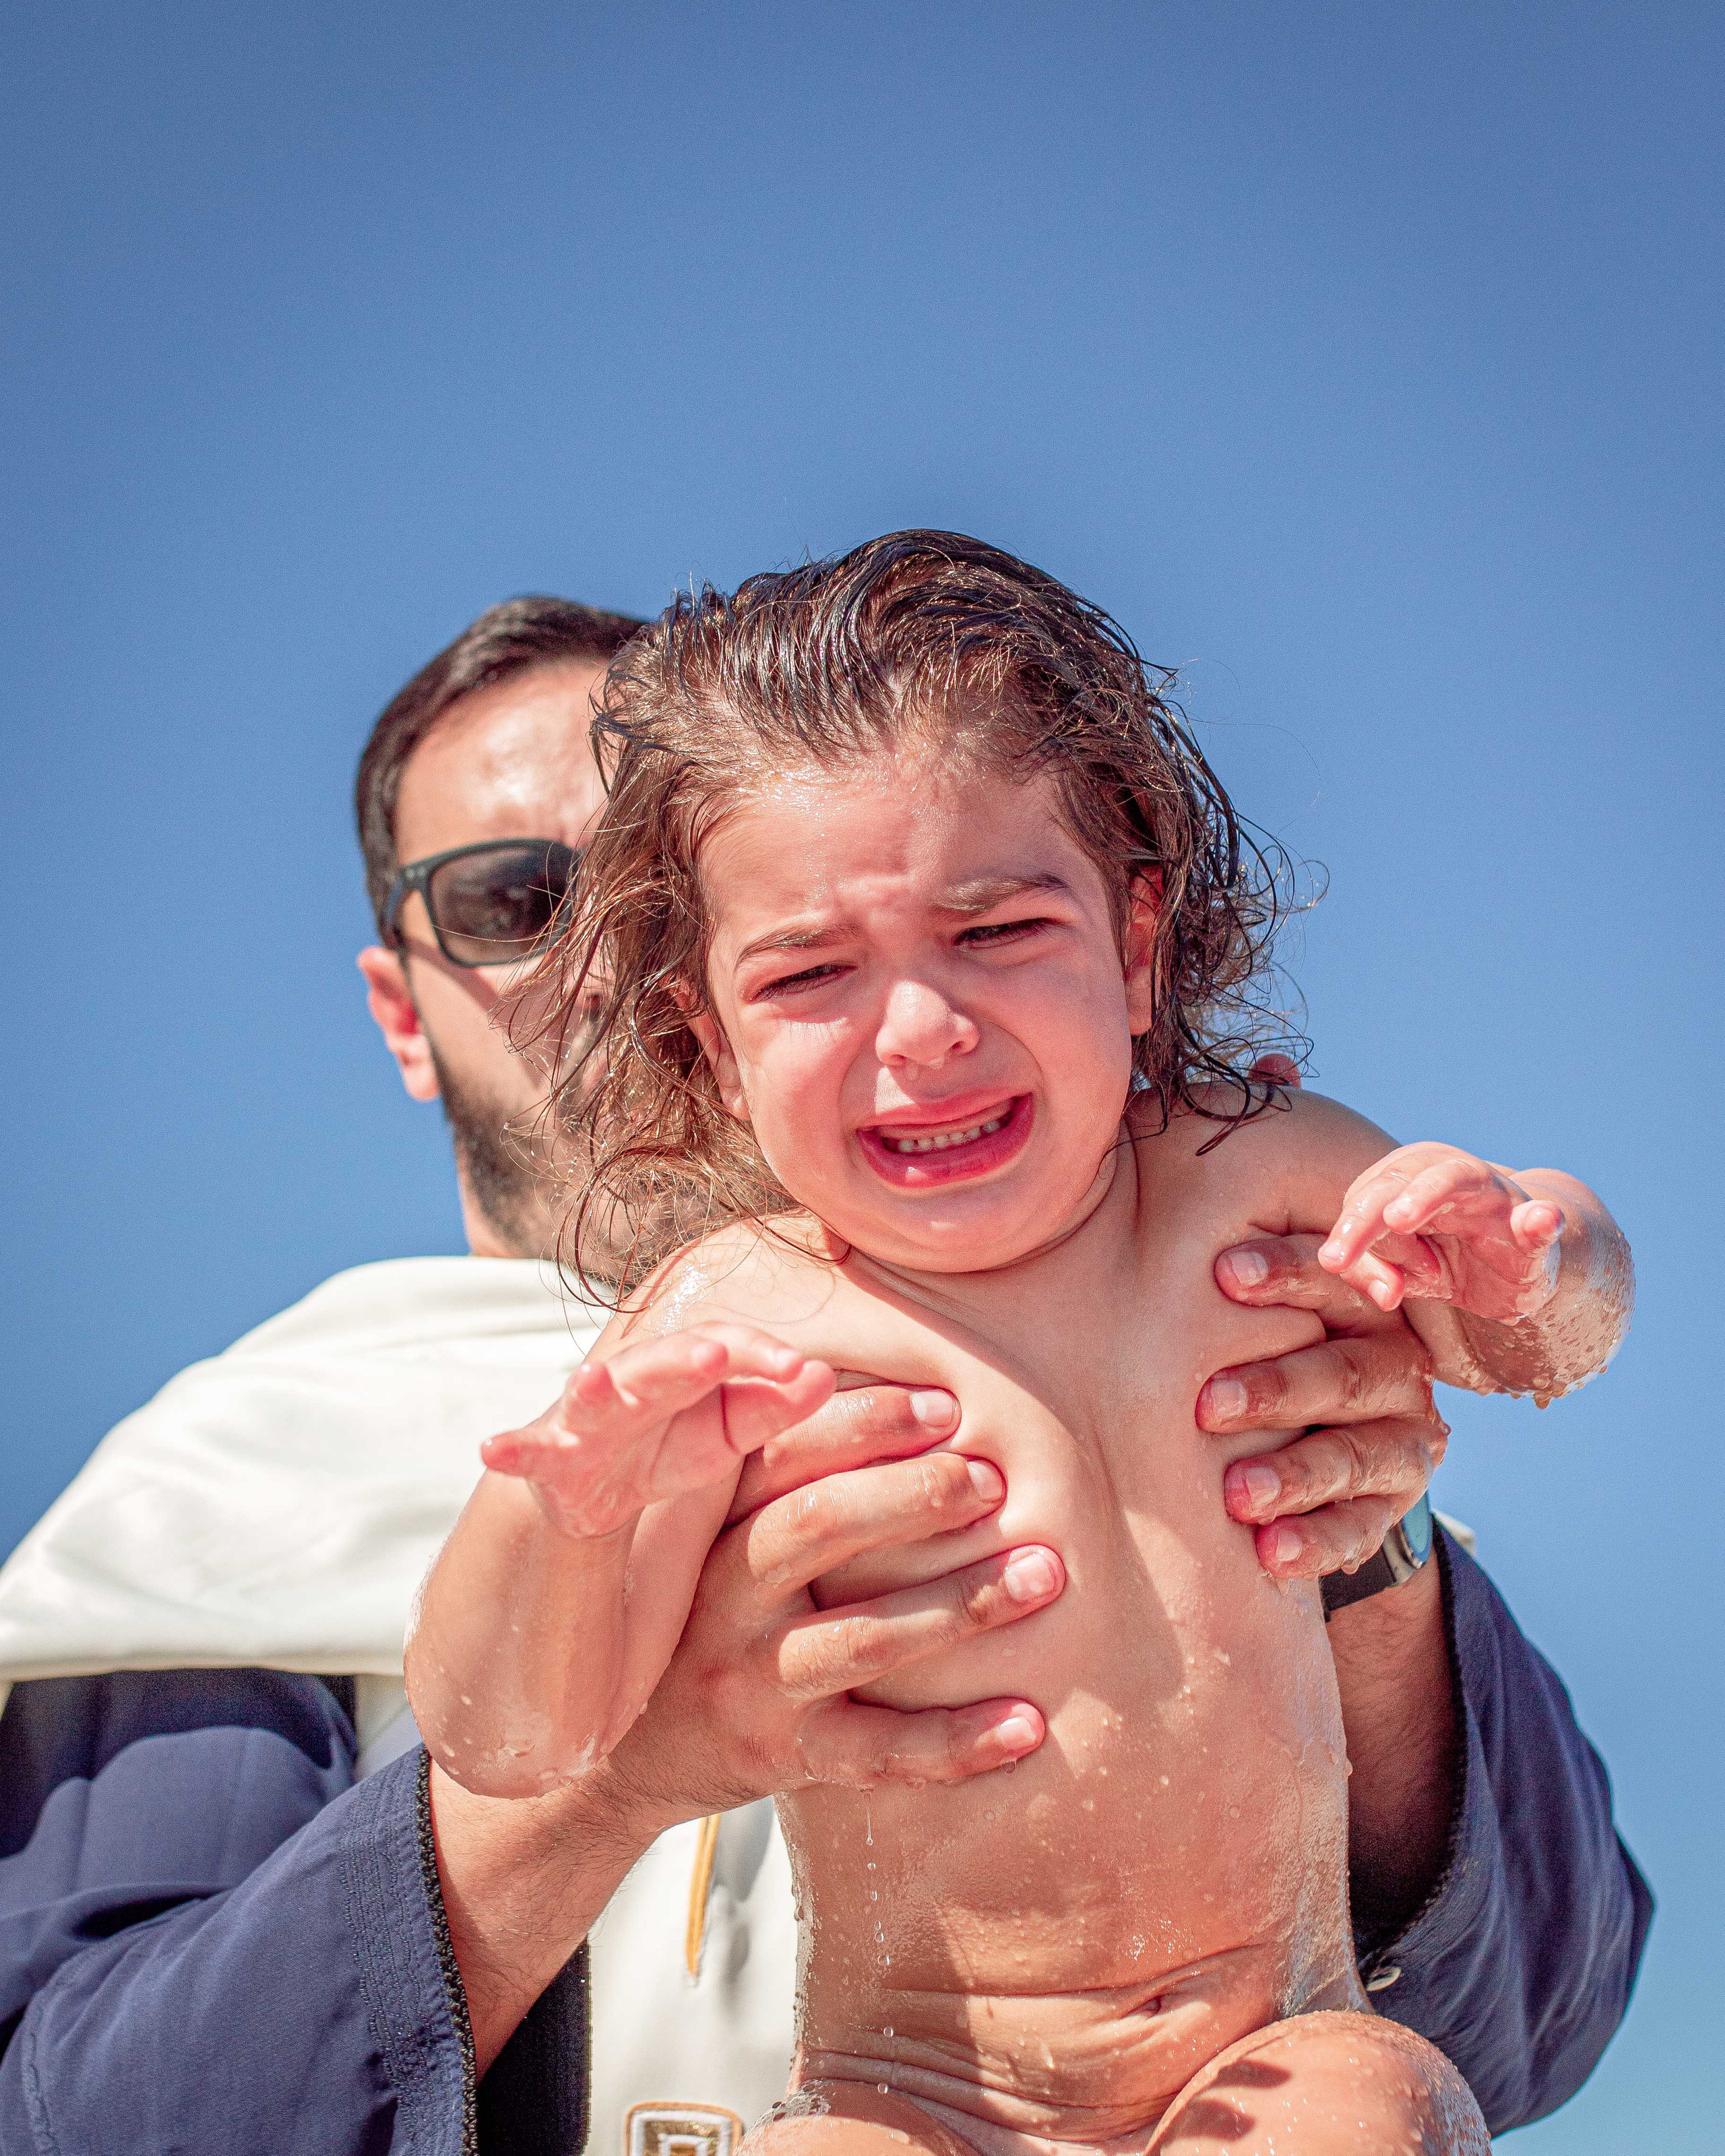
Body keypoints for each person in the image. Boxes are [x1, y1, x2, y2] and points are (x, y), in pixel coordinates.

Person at [0, 594, 1648, 2155]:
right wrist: (621, 1767)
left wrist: (1349, 1533)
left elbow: (1540, 2014)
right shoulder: (241, 1489)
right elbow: (87, 2114)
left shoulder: (1237, 1269)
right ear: (406, 1007)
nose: (594, 958)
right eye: (519, 897)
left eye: (638, 881)